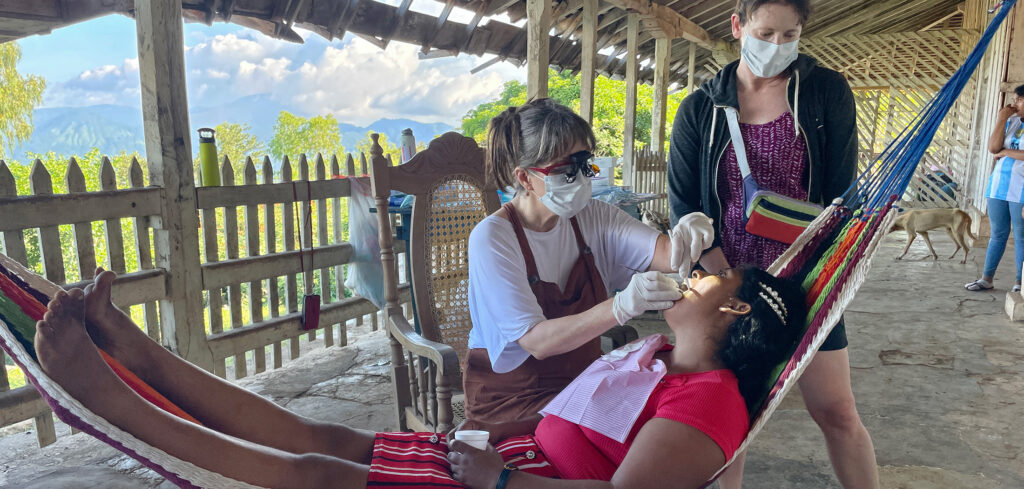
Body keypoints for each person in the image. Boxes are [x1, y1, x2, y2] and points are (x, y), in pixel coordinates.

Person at [33, 266, 804, 489]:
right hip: (503, 458)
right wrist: (498, 446)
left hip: (508, 485)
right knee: (327, 435)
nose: (690, 273)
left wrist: (500, 480)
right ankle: (140, 357)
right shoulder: (667, 360)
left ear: (734, 309)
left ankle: (116, 405)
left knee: (315, 470)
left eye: (705, 276)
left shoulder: (710, 401)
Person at [667, 1, 880, 488]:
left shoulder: (825, 93)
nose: (777, 47)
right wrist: (723, 276)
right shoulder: (701, 108)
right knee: (729, 415)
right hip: (727, 285)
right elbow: (685, 207)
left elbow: (840, 196)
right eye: (766, 33)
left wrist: (809, 271)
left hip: (805, 279)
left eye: (790, 35)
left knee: (837, 411)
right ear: (738, 25)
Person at [463, 98, 715, 423]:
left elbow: (666, 255)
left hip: (579, 387)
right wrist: (622, 305)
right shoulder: (493, 238)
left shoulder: (593, 217)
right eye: (566, 170)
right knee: (645, 428)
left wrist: (690, 231)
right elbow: (537, 342)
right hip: (511, 404)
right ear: (525, 178)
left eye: (585, 165)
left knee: (675, 407)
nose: (582, 180)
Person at [965, 84, 1024, 292]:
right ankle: (987, 279)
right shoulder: (1013, 121)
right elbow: (993, 148)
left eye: (1018, 99)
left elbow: (1005, 152)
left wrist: (1006, 152)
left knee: (1020, 235)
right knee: (998, 233)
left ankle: (1020, 283)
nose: (1014, 103)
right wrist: (1001, 118)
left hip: (1021, 188)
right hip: (999, 185)